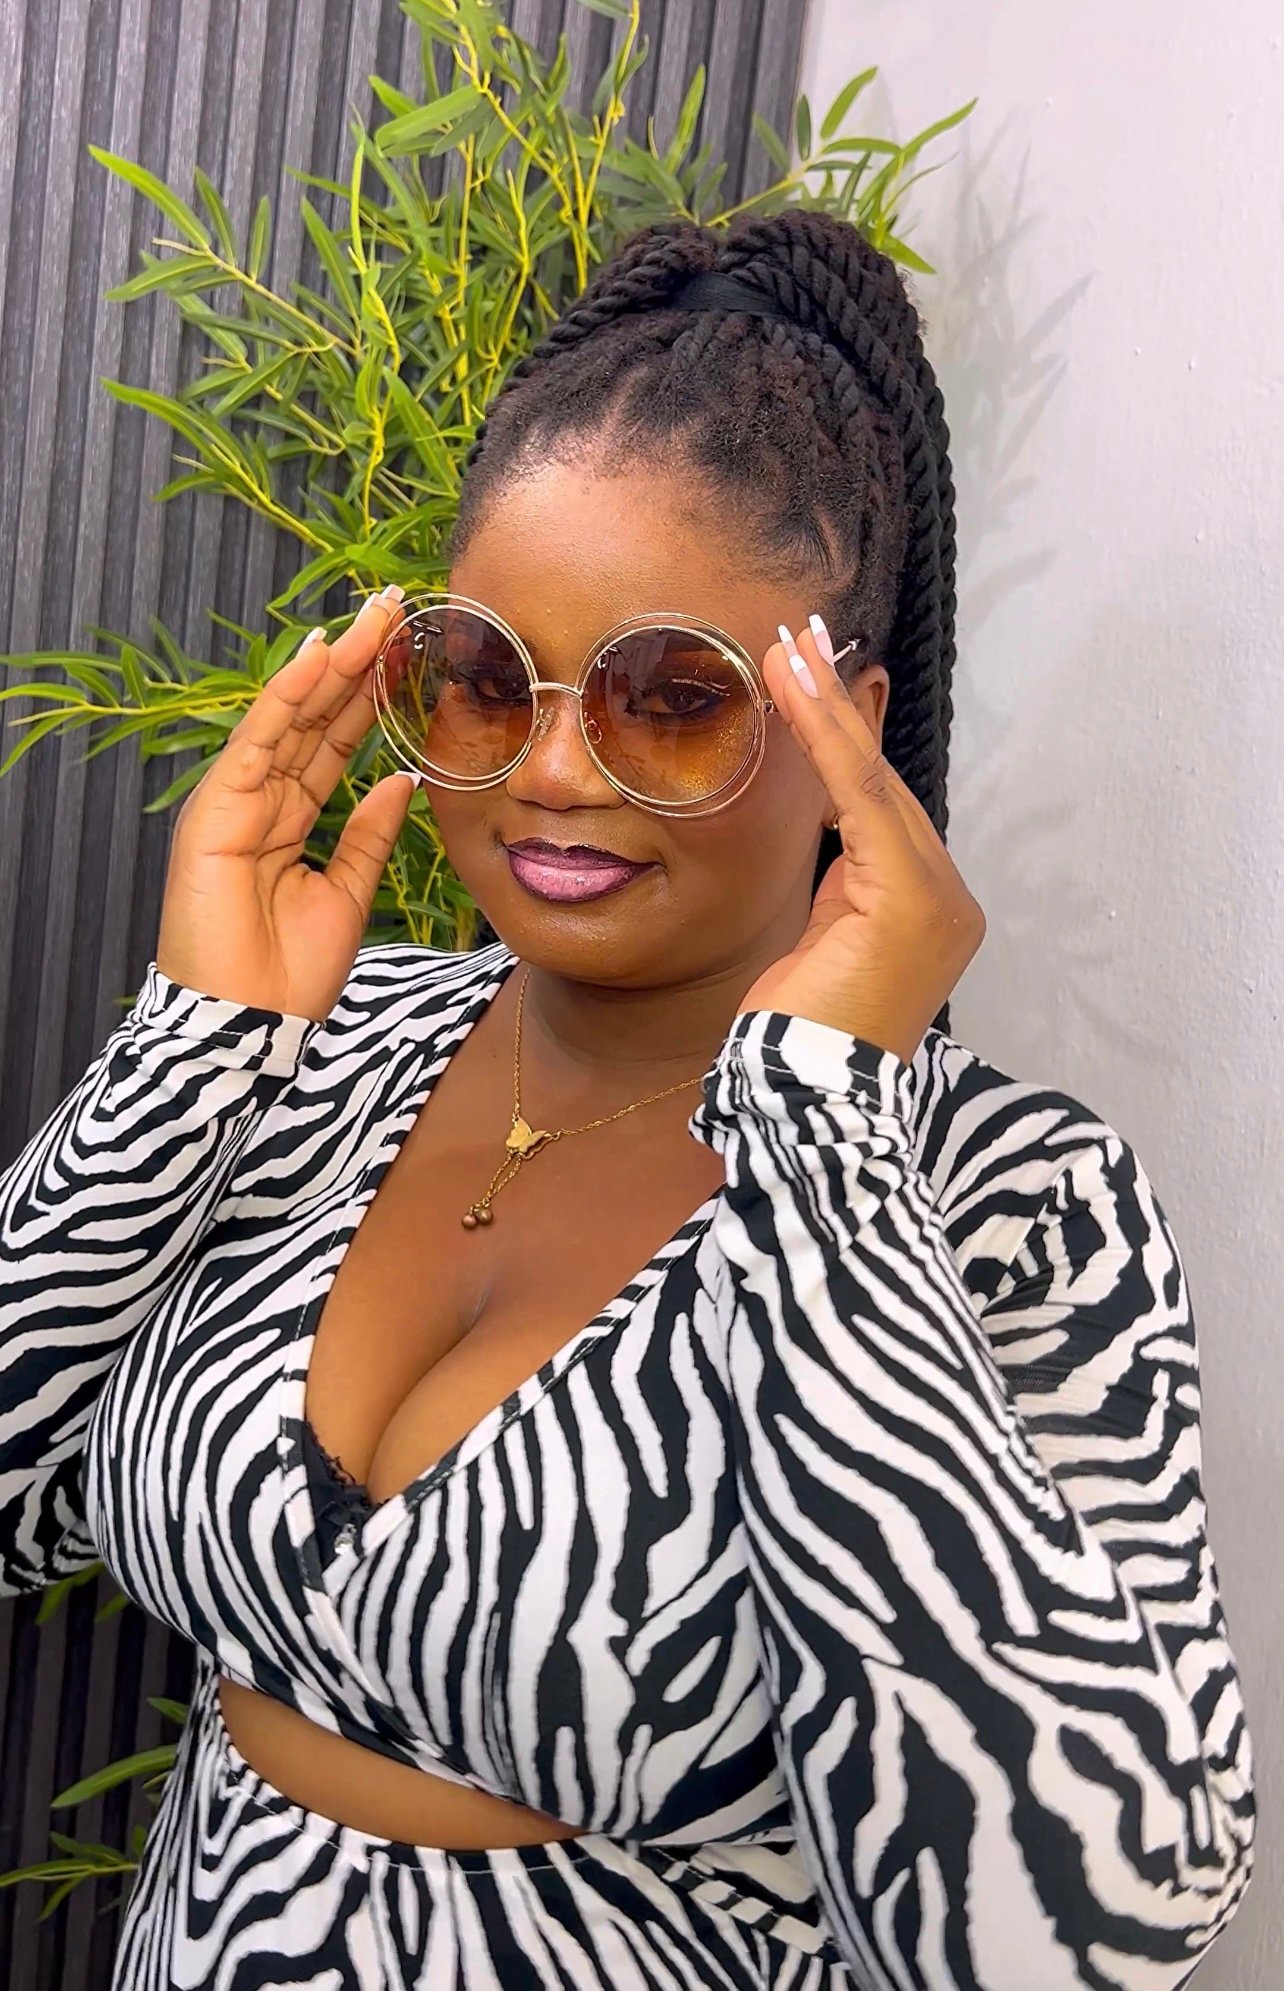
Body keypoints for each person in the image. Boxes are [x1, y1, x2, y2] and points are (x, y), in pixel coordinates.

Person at [0, 210, 1253, 1989]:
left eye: (671, 701)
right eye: (483, 681)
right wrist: (195, 1044)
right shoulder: (328, 1052)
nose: (551, 772)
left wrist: (820, 1127)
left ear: (850, 723)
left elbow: (1078, 1935)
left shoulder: (1010, 1200)